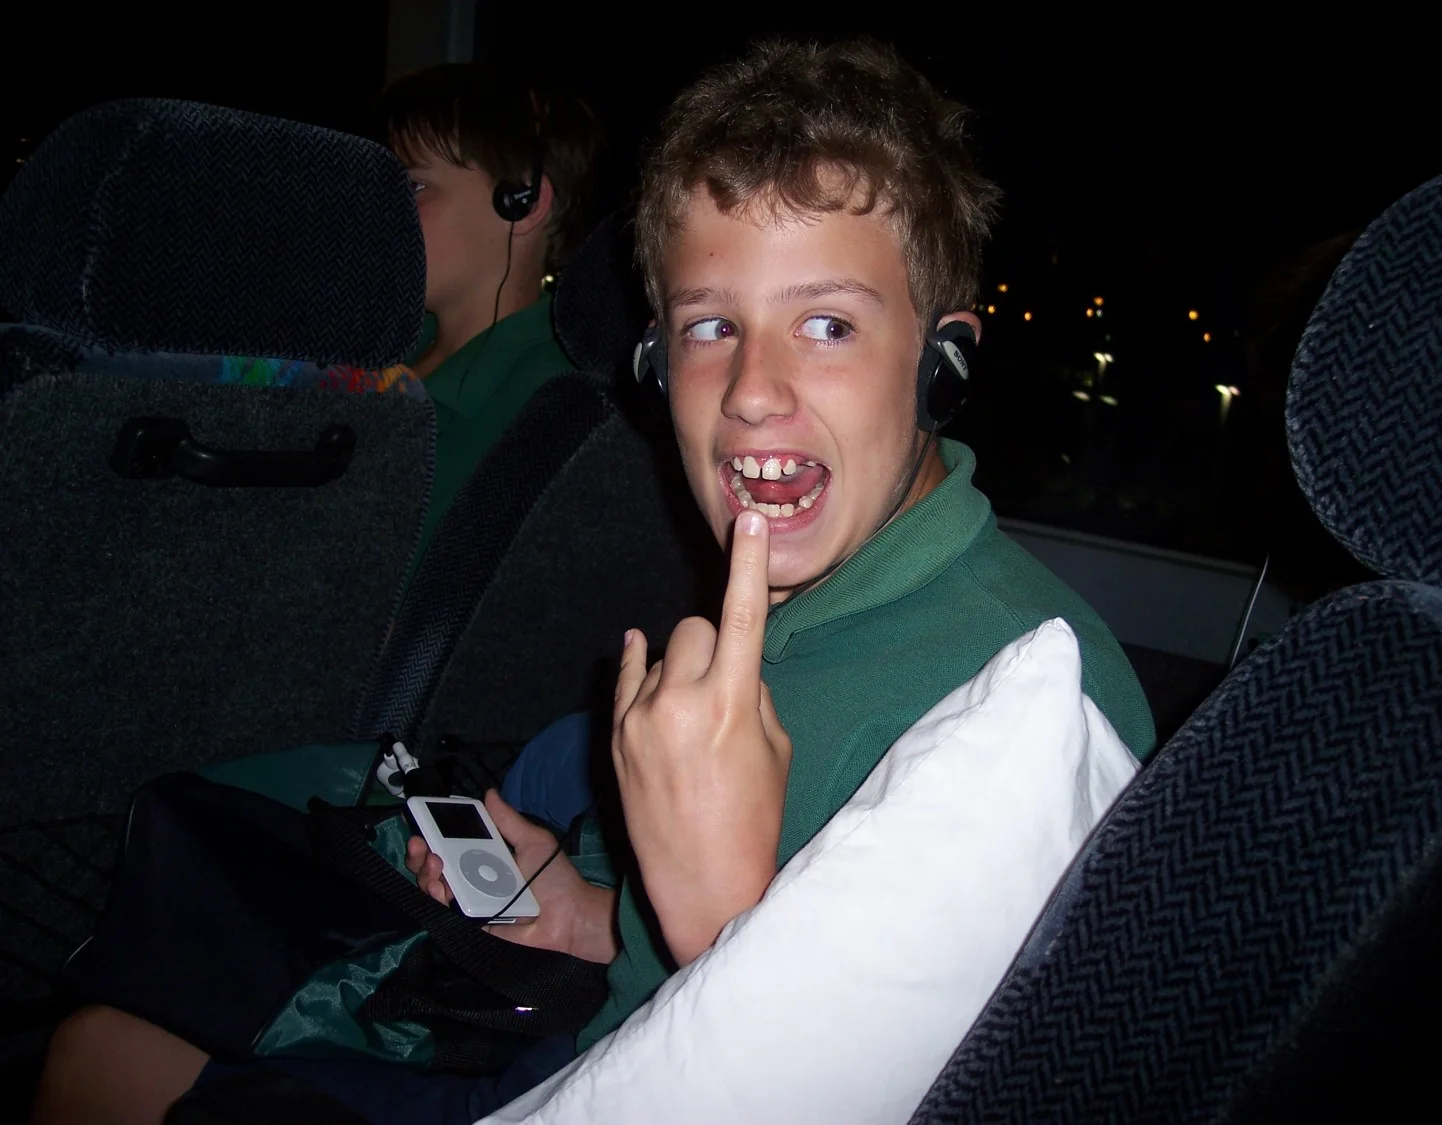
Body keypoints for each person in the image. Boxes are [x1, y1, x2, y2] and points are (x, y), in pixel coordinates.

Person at [30, 38, 1154, 1125]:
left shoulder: (1028, 715)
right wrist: (593, 913)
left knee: (101, 1061)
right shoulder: (797, 600)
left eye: (826, 324)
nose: (752, 389)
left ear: (943, 365)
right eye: (711, 326)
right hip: (587, 1028)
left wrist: (719, 918)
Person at [377, 64, 603, 557]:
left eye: (414, 187)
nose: (381, 209)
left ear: (521, 203)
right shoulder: (376, 349)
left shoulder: (553, 410)